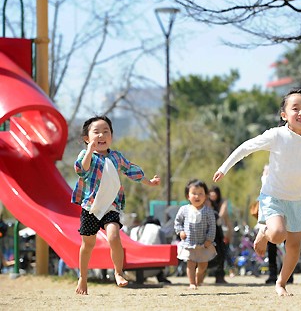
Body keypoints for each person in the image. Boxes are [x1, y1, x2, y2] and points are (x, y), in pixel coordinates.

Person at [213, 86, 301, 296]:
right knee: (278, 235)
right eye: (295, 108)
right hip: (273, 196)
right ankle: (263, 232)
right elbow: (246, 148)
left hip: (297, 200)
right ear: (284, 114)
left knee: (294, 247)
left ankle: (281, 283)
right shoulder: (276, 135)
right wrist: (224, 167)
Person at [71, 115, 161, 295]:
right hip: (91, 207)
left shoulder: (116, 157)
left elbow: (131, 170)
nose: (101, 135)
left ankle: (119, 272)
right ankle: (83, 277)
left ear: (111, 136)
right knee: (88, 245)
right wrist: (89, 150)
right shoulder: (85, 155)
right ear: (87, 138)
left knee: (113, 236)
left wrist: (149, 182)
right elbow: (82, 169)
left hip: (111, 205)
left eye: (106, 132)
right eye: (96, 132)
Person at [174, 179, 217, 290]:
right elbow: (177, 222)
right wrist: (180, 231)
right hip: (189, 243)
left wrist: (209, 239)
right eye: (194, 193)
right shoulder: (184, 210)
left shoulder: (208, 211)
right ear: (188, 196)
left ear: (206, 195)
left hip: (204, 244)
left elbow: (212, 226)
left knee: (203, 265)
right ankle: (192, 283)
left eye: (200, 193)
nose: (197, 196)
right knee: (190, 264)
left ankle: (199, 275)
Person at [130, 216, 171, 283]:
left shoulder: (134, 230)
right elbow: (164, 247)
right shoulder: (158, 229)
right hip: (154, 269)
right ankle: (160, 276)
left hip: (132, 270)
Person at [208, 185, 234, 283]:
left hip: (221, 231)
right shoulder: (206, 202)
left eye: (215, 192)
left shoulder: (222, 202)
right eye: (211, 192)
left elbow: (221, 216)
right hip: (209, 231)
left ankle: (220, 275)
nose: (213, 194)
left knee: (223, 252)